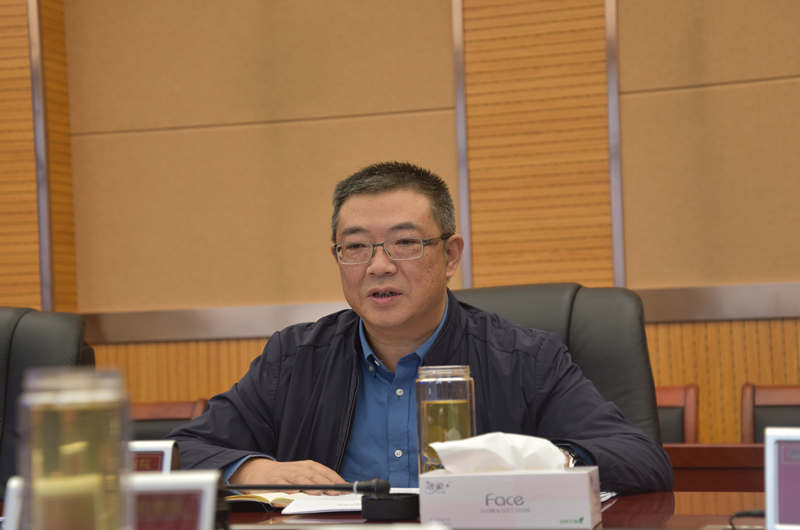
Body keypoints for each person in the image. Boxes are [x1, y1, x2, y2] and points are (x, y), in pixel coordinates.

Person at [168, 161, 673, 495]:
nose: (378, 266)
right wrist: (257, 470)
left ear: (450, 256)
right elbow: (181, 452)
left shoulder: (525, 358)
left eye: (405, 243)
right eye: (356, 246)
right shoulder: (296, 357)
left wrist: (543, 462)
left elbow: (641, 459)